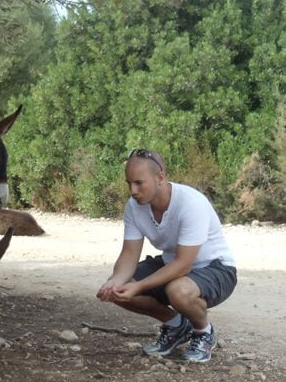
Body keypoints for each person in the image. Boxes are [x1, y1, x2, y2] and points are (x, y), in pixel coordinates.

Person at [97, 149, 237, 363]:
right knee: (119, 287)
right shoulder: (134, 207)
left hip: (215, 268)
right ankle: (176, 326)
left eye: (138, 183)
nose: (132, 190)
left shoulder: (190, 203)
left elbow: (183, 264)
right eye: (129, 183)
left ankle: (203, 332)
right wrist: (114, 283)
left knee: (178, 290)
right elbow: (129, 255)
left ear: (160, 177)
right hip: (173, 266)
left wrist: (139, 286)